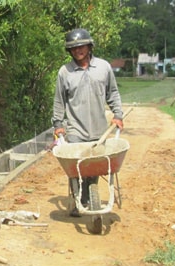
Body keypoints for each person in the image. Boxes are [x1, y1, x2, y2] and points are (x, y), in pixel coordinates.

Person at [51, 28, 124, 217]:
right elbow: (59, 101)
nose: (78, 51)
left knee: (95, 166)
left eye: (81, 46)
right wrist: (58, 124)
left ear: (89, 46)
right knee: (77, 167)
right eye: (73, 49)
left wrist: (118, 114)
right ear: (70, 51)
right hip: (75, 129)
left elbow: (113, 93)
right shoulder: (65, 72)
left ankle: (91, 195)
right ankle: (77, 199)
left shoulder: (103, 67)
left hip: (100, 128)